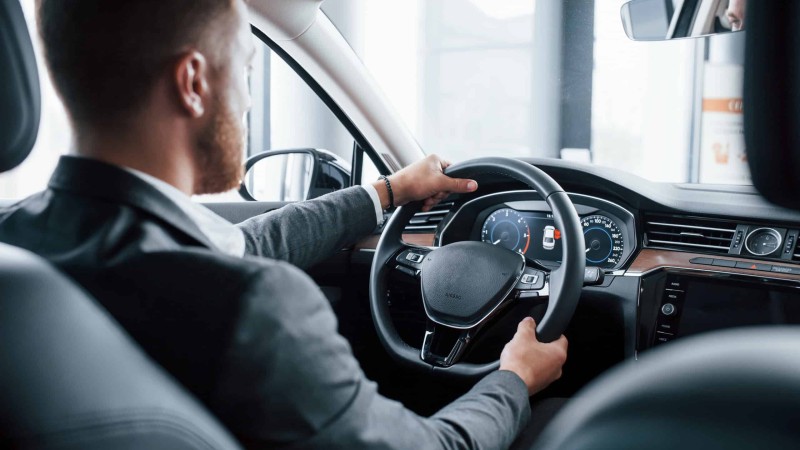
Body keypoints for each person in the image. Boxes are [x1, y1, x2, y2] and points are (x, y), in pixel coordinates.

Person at [0, 0, 568, 448]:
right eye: (247, 70)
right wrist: (513, 380)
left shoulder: (18, 245)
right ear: (193, 83)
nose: (246, 100)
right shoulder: (257, 309)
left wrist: (389, 192)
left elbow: (246, 244)